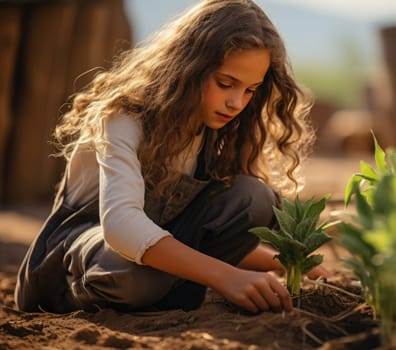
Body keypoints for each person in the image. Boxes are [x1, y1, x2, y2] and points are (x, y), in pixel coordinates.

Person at [15, 0, 330, 315]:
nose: (236, 102)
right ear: (189, 66)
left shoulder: (213, 129)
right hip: (78, 265)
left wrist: (283, 261)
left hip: (153, 267)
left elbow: (195, 236)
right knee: (135, 275)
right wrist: (227, 276)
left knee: (253, 196)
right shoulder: (125, 117)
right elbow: (122, 227)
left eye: (250, 90)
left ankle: (166, 295)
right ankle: (99, 297)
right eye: (225, 83)